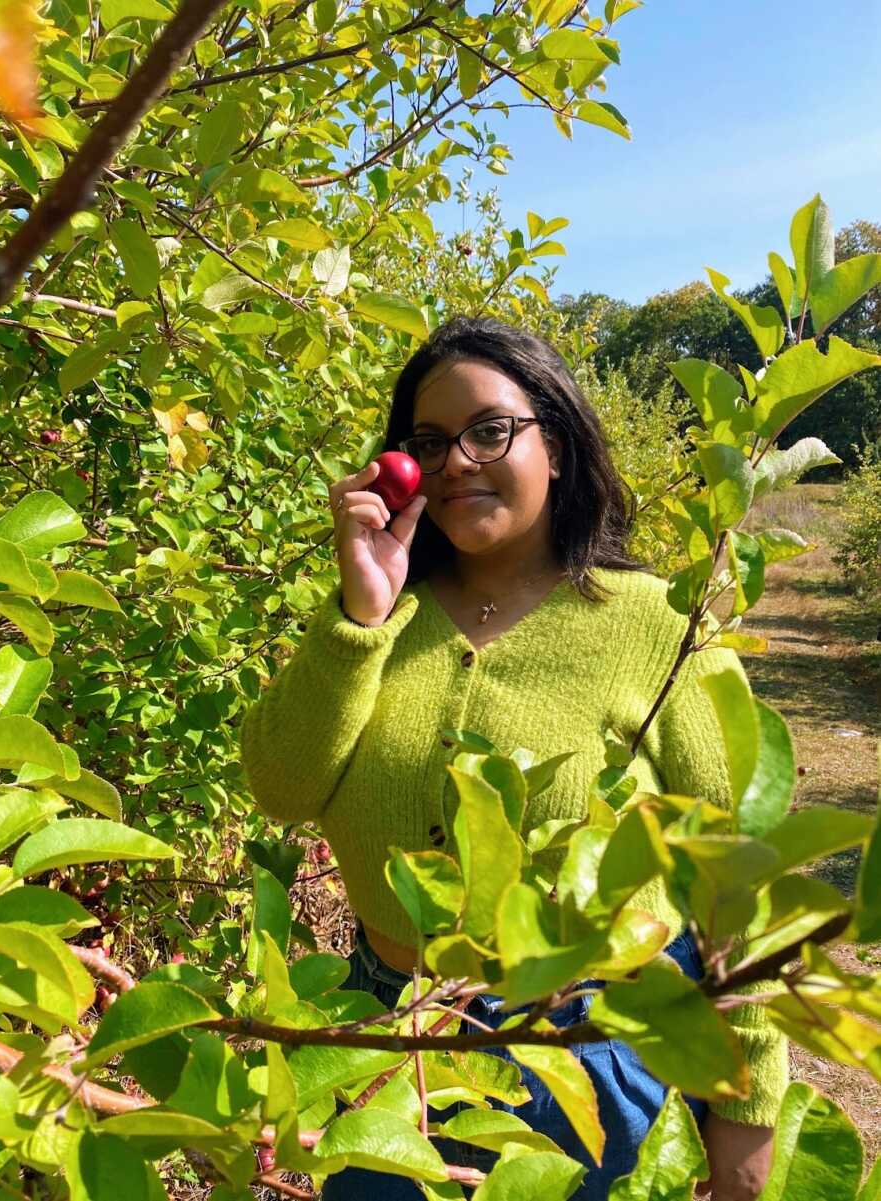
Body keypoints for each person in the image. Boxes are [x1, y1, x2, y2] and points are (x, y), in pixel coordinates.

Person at [240, 316, 787, 1200]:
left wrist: (746, 1118)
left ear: (559, 445)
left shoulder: (658, 628)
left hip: (584, 1060)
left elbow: (738, 887)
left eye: (489, 429)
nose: (455, 460)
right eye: (427, 440)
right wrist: (358, 613)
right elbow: (281, 787)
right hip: (383, 1044)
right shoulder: (378, 620)